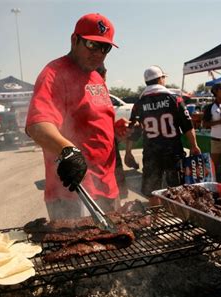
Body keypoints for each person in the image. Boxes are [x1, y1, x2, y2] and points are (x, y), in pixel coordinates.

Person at [25, 13, 127, 220]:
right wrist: (68, 151)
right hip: (75, 191)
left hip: (107, 186)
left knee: (117, 247)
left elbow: (96, 123)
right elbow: (38, 125)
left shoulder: (97, 77)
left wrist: (121, 131)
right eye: (92, 44)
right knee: (81, 250)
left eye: (105, 48)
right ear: (75, 40)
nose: (98, 53)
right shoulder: (54, 73)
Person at [124, 65, 201, 205]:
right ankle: (178, 218)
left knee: (152, 191)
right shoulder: (174, 99)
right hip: (173, 152)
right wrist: (194, 145)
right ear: (160, 79)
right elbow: (187, 126)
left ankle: (155, 219)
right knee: (178, 190)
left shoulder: (139, 104)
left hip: (151, 153)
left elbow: (134, 130)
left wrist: (128, 151)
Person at [96, 63, 128, 198]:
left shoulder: (102, 92)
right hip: (99, 157)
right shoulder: (93, 92)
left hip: (109, 150)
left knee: (115, 194)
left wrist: (116, 127)